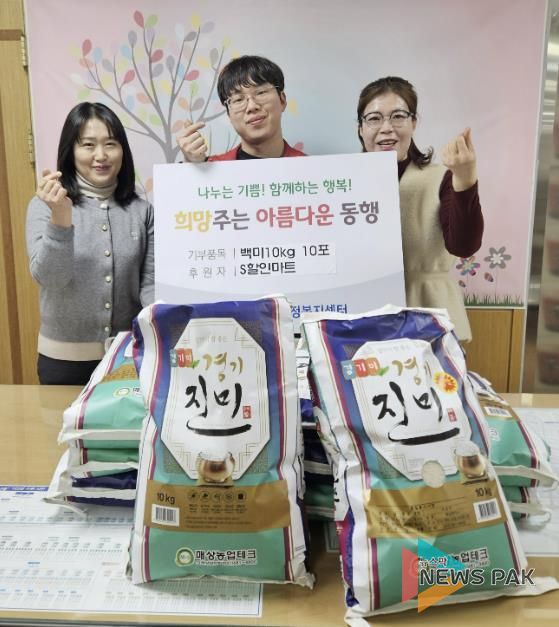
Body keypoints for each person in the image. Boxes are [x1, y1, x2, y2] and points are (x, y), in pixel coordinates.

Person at [26, 102, 154, 385]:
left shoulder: (142, 211)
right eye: (88, 145)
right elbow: (51, 278)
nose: (101, 155)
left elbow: (150, 286)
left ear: (122, 150)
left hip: (128, 359)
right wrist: (60, 218)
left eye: (110, 144)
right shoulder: (44, 206)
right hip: (62, 363)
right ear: (70, 150)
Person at [357, 76, 483, 341]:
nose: (386, 128)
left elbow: (463, 246)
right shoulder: (344, 182)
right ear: (361, 128)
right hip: (364, 316)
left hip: (429, 314)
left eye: (398, 116)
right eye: (374, 118)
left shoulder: (439, 178)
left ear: (414, 122)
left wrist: (465, 180)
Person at [177, 55, 304, 161]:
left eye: (261, 93)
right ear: (228, 114)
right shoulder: (211, 169)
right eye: (238, 100)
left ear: (282, 100)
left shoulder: (311, 171)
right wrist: (194, 167)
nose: (252, 106)